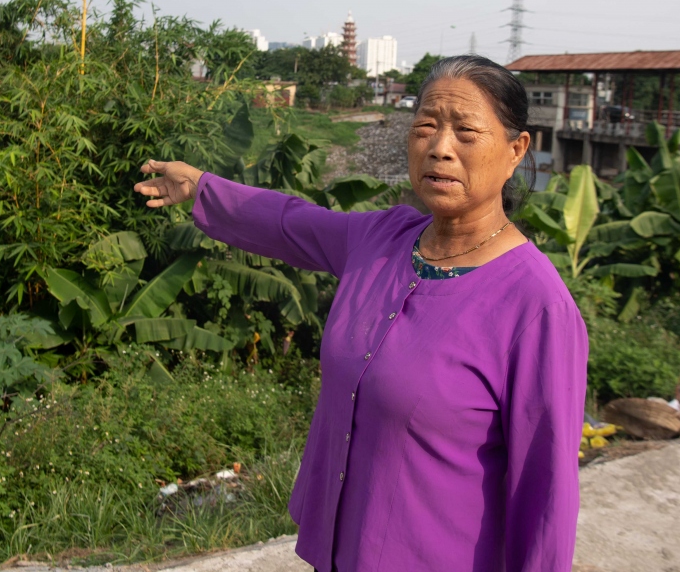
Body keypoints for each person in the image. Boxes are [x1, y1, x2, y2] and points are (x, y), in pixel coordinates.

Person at [134, 55, 588, 572]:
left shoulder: (536, 307)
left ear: (515, 150)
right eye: (425, 128)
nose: (440, 148)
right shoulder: (385, 239)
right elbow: (291, 223)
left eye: (465, 132)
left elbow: (545, 493)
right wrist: (199, 187)